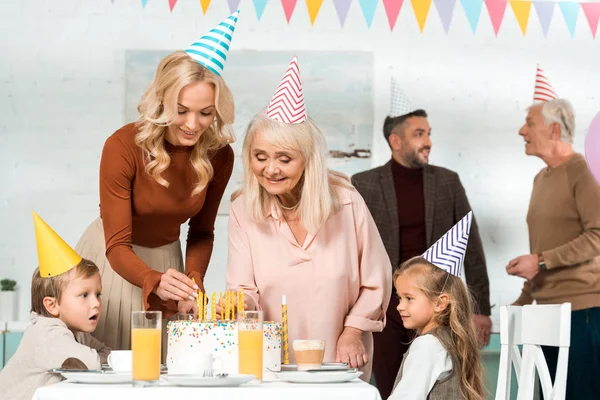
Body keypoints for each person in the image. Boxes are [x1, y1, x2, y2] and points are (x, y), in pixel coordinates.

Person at [75, 11, 240, 354]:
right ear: (162, 101)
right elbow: (117, 243)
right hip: (114, 259)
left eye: (206, 113)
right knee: (112, 361)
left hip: (168, 260)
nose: (194, 124)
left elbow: (201, 232)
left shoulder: (219, 156)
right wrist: (152, 280)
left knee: (163, 365)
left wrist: (193, 282)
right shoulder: (122, 146)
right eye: (181, 110)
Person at [225, 57, 392, 381]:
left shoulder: (346, 203)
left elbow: (377, 279)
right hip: (270, 363)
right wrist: (237, 306)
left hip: (340, 360)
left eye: (284, 159)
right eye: (260, 157)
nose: (270, 169)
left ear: (308, 161)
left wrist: (353, 331)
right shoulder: (243, 209)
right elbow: (243, 289)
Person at [351, 78, 491, 399]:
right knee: (393, 387)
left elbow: (471, 246)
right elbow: (353, 250)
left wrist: (481, 308)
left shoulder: (447, 182)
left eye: (428, 133)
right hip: (386, 307)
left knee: (441, 383)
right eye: (419, 134)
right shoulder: (364, 184)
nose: (428, 141)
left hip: (437, 306)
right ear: (395, 141)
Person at [507, 96, 600, 399]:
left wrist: (542, 261)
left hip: (582, 314)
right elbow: (542, 249)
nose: (523, 130)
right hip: (546, 313)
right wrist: (523, 300)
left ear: (555, 130)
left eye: (530, 123)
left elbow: (598, 235)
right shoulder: (540, 179)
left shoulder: (584, 172)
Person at [0, 213, 110, 400]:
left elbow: (105, 353)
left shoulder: (78, 334)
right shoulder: (47, 333)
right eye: (84, 295)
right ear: (52, 305)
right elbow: (90, 362)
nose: (96, 303)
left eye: (97, 294)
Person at [389, 213, 484, 400]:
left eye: (409, 298)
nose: (399, 306)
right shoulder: (450, 339)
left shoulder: (427, 345)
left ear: (440, 303)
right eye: (400, 298)